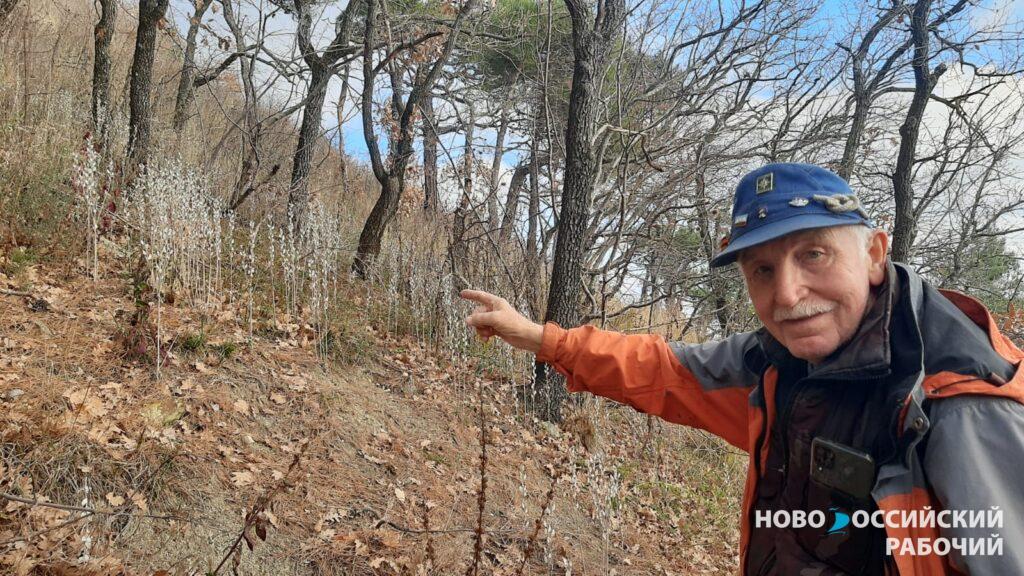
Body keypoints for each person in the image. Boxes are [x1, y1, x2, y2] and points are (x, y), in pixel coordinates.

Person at [461, 163, 1024, 575]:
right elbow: (666, 370)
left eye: (813, 254)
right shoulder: (775, 360)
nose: (788, 294)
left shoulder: (958, 403)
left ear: (875, 254)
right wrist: (539, 338)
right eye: (762, 270)